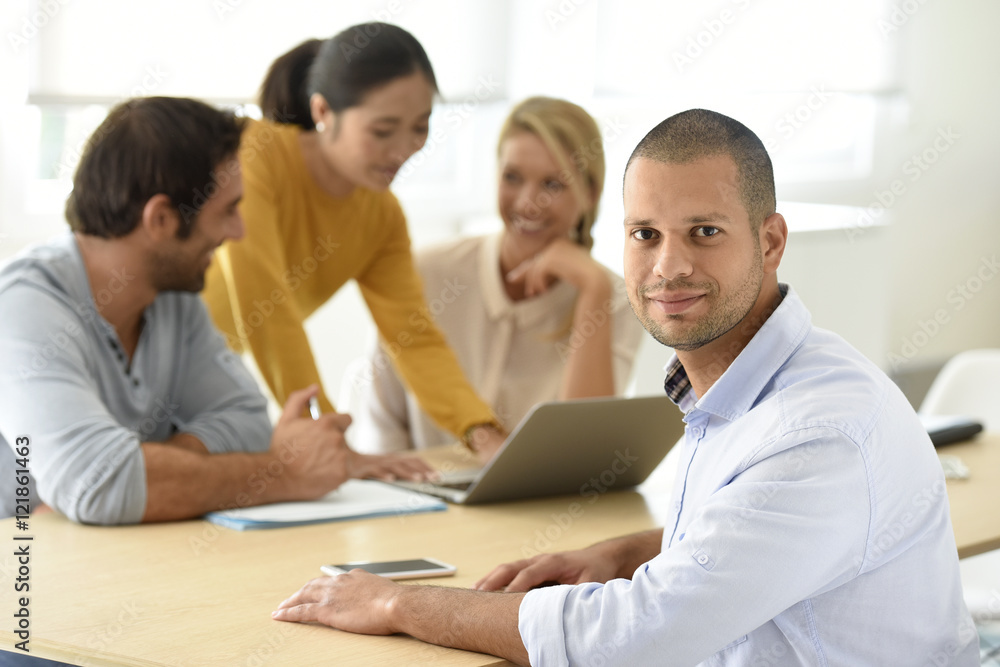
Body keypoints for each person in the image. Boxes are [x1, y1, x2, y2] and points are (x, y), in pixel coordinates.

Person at [271, 109, 978, 665]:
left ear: (770, 242)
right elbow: (742, 534)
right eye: (645, 234)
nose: (668, 266)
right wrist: (625, 551)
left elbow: (637, 635)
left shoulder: (818, 427)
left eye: (704, 231)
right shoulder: (745, 385)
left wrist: (400, 605)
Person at [0, 96, 430, 526]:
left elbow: (248, 421)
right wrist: (285, 473)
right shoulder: (22, 309)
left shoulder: (173, 298)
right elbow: (102, 486)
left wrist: (146, 470)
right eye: (227, 211)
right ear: (162, 220)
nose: (239, 231)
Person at [201, 23, 505, 457]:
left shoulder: (383, 217)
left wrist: (482, 433)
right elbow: (264, 305)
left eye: (420, 127)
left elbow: (413, 337)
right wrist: (327, 435)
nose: (403, 151)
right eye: (382, 131)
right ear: (323, 112)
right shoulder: (258, 157)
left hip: (196, 365)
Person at [348, 97, 644, 456]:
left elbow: (582, 455)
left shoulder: (615, 300)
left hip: (540, 510)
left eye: (552, 184)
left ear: (590, 194)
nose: (526, 202)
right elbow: (380, 428)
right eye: (512, 177)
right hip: (417, 499)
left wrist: (593, 289)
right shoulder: (424, 274)